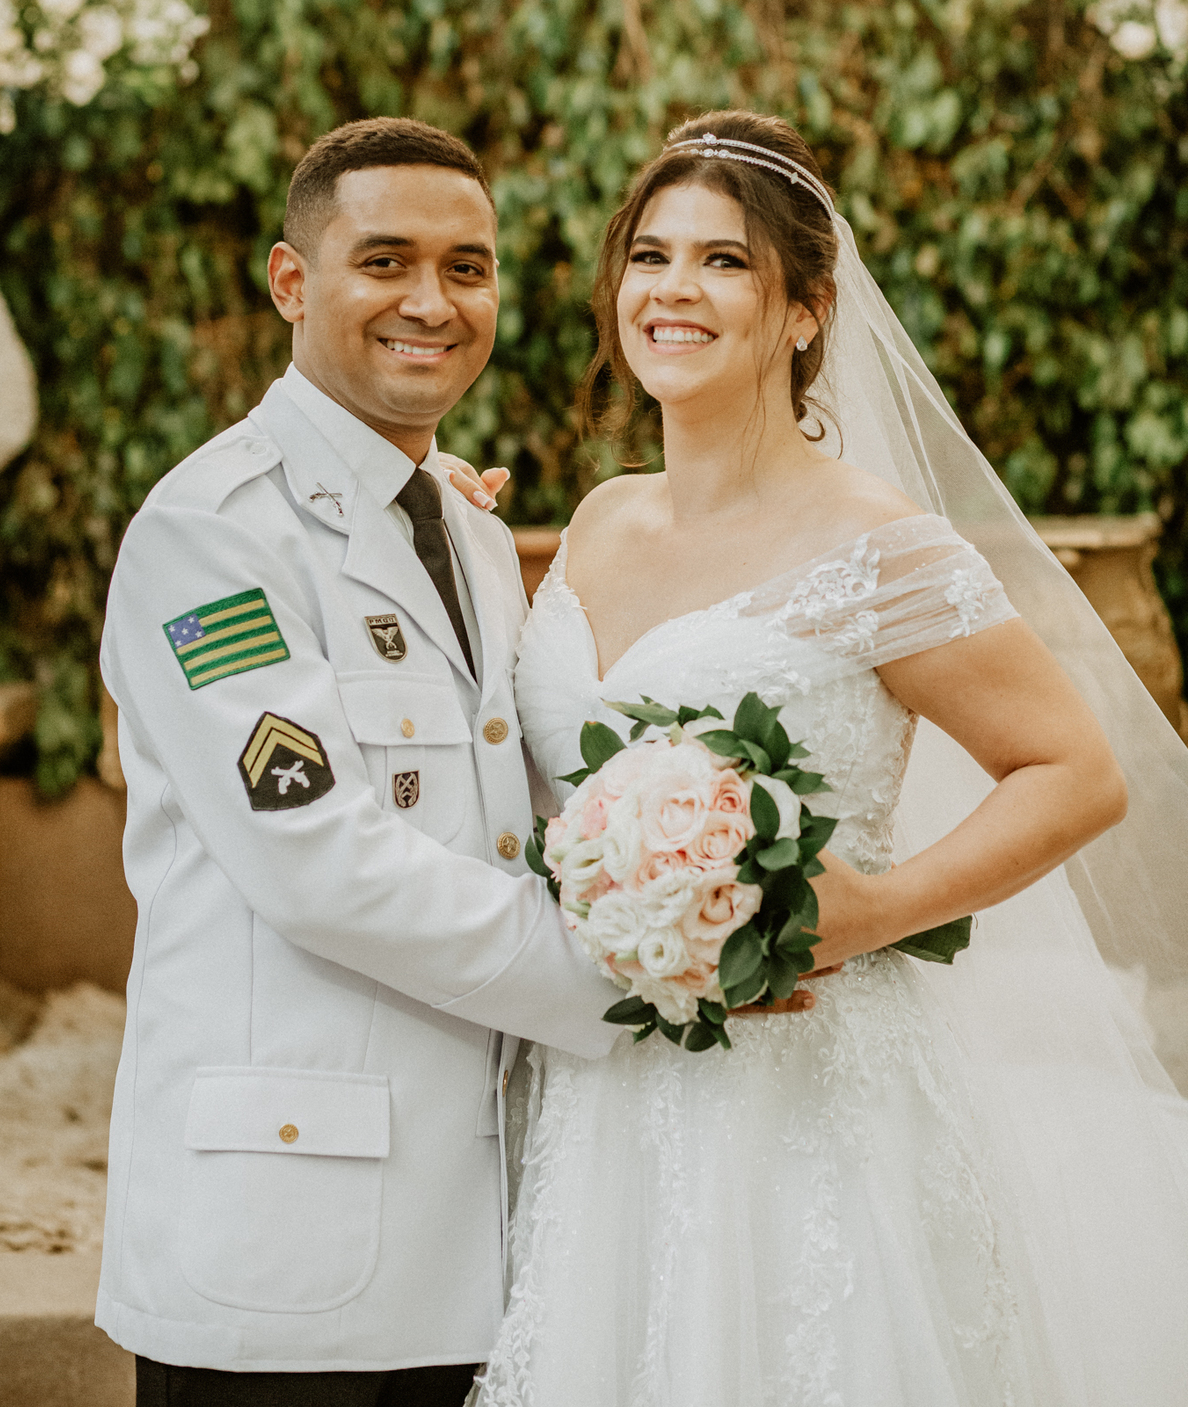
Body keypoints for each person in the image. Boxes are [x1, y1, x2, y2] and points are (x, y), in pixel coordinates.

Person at [474, 110, 1188, 1406]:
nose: (673, 289)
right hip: (604, 1090)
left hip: (808, 1101)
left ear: (806, 311)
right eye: (651, 256)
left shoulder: (878, 545)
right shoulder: (598, 519)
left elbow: (1078, 771)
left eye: (724, 261)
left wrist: (874, 911)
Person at [95, 118, 632, 1406]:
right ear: (292, 281)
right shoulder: (212, 533)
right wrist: (626, 984)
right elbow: (317, 859)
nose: (432, 303)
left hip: (475, 1229)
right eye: (385, 261)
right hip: (284, 1241)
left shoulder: (471, 528)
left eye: (468, 268)